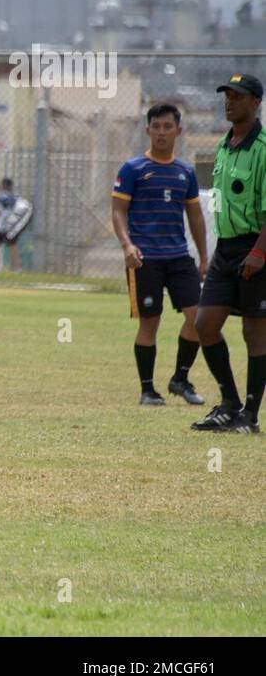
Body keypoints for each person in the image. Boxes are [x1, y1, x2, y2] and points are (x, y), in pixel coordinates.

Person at [110, 103, 208, 407]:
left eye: (168, 127)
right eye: (156, 127)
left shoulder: (185, 172)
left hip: (179, 257)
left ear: (179, 131)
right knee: (150, 323)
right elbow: (117, 211)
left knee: (200, 319)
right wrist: (127, 245)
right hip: (145, 258)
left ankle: (180, 378)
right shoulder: (133, 169)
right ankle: (148, 390)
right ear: (148, 130)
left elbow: (195, 217)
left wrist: (204, 257)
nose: (162, 132)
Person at [191, 73, 266, 434]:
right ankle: (229, 403)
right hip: (226, 248)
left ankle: (249, 416)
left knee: (255, 331)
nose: (229, 101)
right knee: (204, 324)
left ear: (256, 102)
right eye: (226, 95)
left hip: (256, 246)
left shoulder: (263, 147)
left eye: (237, 96)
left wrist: (259, 253)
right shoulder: (224, 145)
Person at [0, 178, 33, 272]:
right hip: (13, 224)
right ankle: (17, 267)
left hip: (6, 226)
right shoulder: (15, 196)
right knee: (12, 245)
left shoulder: (2, 196)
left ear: (3, 185)